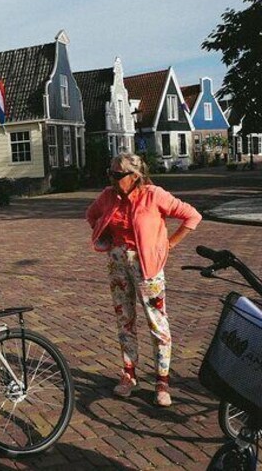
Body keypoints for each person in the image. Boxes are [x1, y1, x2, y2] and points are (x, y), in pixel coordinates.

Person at [86, 153, 201, 407]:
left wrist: (167, 245)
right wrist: (105, 238)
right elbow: (92, 215)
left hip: (147, 267)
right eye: (110, 174)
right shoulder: (108, 196)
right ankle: (129, 374)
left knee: (157, 323)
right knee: (124, 320)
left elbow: (192, 216)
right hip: (117, 265)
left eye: (117, 175)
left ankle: (162, 380)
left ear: (134, 176)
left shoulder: (154, 195)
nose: (112, 179)